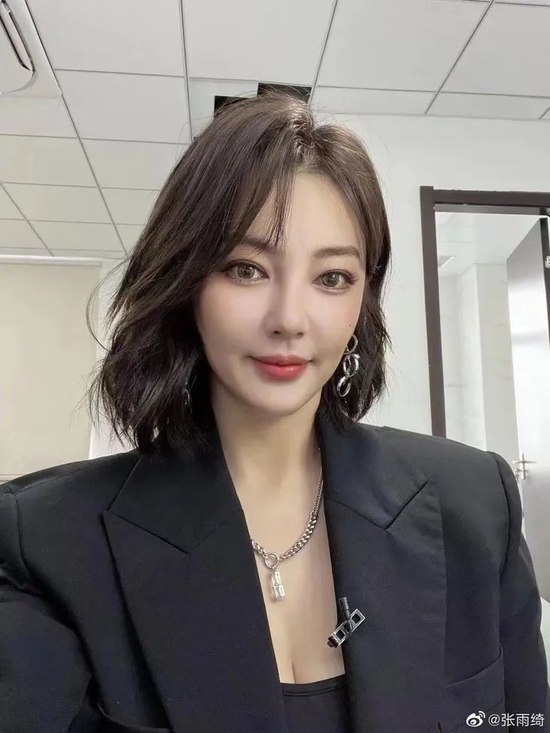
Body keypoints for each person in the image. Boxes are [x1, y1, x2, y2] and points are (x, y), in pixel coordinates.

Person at [0, 90, 547, 733]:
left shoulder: (476, 505)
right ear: (185, 282)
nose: (290, 318)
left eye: (332, 278)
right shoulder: (45, 540)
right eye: (246, 269)